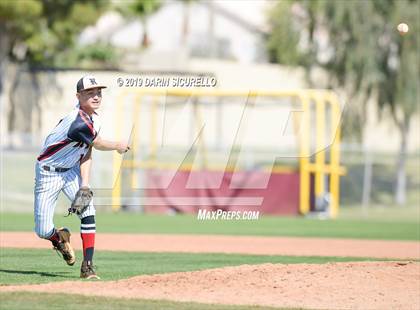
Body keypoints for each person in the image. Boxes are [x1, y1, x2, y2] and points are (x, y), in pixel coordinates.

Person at [34, 76, 130, 279]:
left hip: (70, 171)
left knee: (88, 209)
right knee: (42, 230)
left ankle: (87, 266)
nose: (96, 96)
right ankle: (58, 238)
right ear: (78, 96)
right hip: (47, 172)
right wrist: (118, 145)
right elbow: (98, 143)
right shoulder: (77, 120)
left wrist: (84, 185)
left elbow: (86, 152)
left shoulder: (94, 119)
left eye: (99, 93)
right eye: (90, 93)